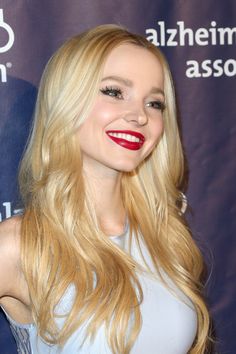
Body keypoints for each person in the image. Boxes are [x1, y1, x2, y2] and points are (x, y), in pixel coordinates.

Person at [0, 24, 210, 353]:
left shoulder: (163, 235)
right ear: (67, 100)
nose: (139, 115)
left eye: (154, 103)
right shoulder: (20, 245)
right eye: (114, 92)